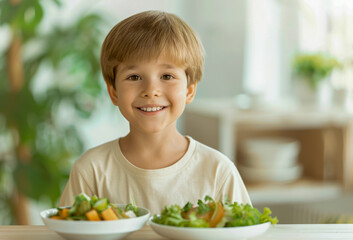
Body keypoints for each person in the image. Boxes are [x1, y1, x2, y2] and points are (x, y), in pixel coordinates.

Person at [59, 10, 251, 213]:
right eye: (134, 77)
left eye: (167, 76)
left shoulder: (218, 171)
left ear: (189, 90)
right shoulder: (91, 170)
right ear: (113, 92)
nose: (151, 90)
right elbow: (68, 229)